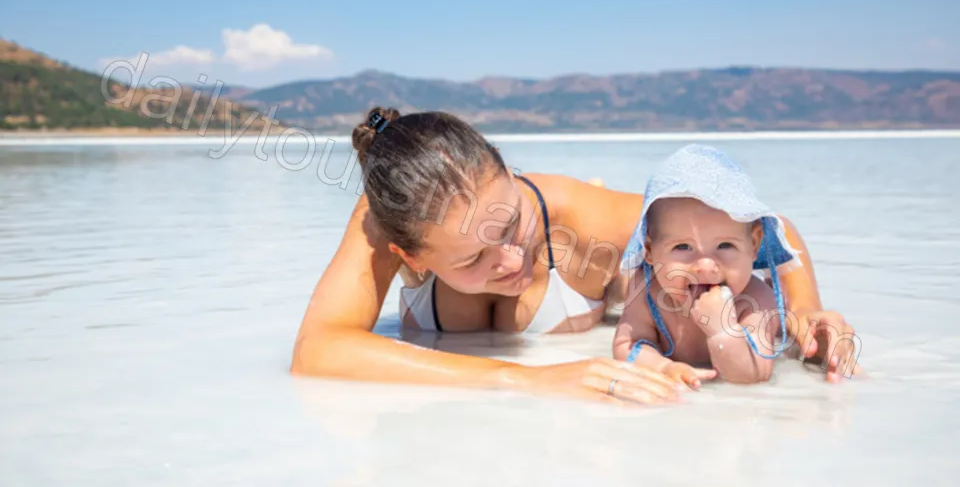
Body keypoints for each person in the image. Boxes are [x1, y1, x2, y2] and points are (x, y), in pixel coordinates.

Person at [290, 107, 858, 406]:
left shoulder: (581, 218)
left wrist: (805, 310)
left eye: (510, 224)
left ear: (510, 174)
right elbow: (317, 350)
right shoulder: (385, 220)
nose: (510, 260)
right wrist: (528, 381)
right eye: (471, 260)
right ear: (408, 256)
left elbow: (767, 225)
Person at [613, 144, 826, 387]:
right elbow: (627, 346)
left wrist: (724, 331)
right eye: (683, 247)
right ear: (650, 251)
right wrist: (663, 367)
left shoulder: (756, 301)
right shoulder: (647, 291)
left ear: (754, 245)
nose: (705, 266)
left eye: (725, 245)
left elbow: (754, 374)